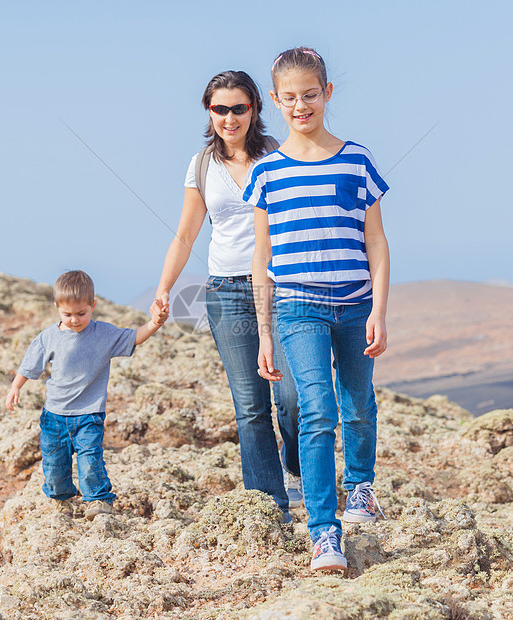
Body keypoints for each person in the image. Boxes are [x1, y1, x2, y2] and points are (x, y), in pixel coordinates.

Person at [244, 47, 390, 571]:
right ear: (276, 104)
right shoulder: (267, 172)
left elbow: (376, 240)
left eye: (310, 95)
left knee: (358, 405)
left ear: (327, 94)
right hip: (298, 307)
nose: (300, 105)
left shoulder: (358, 159)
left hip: (356, 307)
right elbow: (261, 259)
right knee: (316, 410)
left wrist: (379, 309)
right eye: (289, 98)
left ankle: (361, 488)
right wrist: (264, 331)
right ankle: (324, 533)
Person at [150, 71, 301, 521]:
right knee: (251, 406)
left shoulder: (281, 154)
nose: (230, 117)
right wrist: (163, 288)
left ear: (255, 107)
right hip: (227, 292)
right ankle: (270, 507)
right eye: (220, 109)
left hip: (281, 286)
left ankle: (294, 469)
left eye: (239, 108)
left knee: (293, 398)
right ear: (208, 111)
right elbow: (184, 235)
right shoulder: (201, 165)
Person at [6, 270, 167, 521]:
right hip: (54, 416)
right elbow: (30, 364)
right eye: (67, 314)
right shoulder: (49, 337)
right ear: (57, 307)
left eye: (81, 313)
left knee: (90, 460)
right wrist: (16, 386)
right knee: (54, 465)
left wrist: (155, 323)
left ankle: (98, 500)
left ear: (93, 305)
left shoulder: (103, 334)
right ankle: (61, 499)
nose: (74, 320)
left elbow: (135, 336)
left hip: (89, 415)